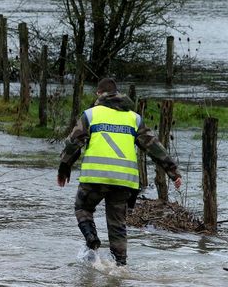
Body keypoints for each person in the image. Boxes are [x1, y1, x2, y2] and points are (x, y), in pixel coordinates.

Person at [57, 77, 182, 266]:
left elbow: (73, 144)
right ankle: (120, 268)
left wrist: (64, 169)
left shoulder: (91, 115)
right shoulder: (134, 118)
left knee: (82, 207)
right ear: (117, 94)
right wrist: (173, 172)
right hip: (124, 182)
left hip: (95, 178)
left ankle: (91, 238)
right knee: (117, 226)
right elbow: (153, 146)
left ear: (99, 94)